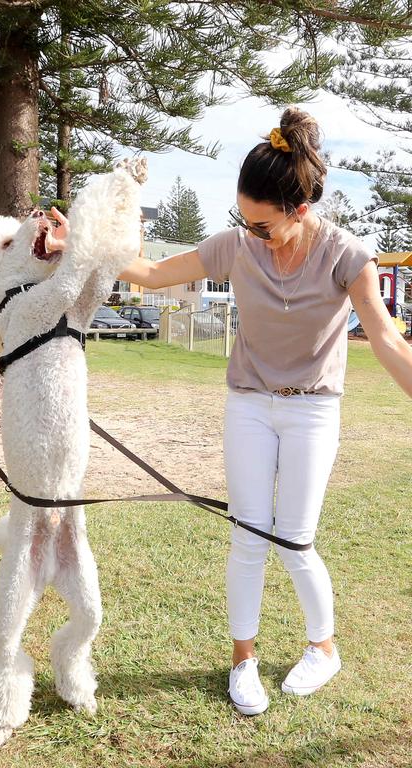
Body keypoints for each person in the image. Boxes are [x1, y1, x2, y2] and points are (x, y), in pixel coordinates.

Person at [119, 107, 412, 715]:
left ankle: (322, 648)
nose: (250, 233)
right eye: (242, 220)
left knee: (295, 540)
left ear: (300, 211)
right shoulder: (234, 246)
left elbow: (384, 338)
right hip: (249, 404)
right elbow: (147, 274)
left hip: (312, 410)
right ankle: (243, 660)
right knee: (249, 536)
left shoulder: (346, 255)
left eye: (262, 225)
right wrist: (86, 242)